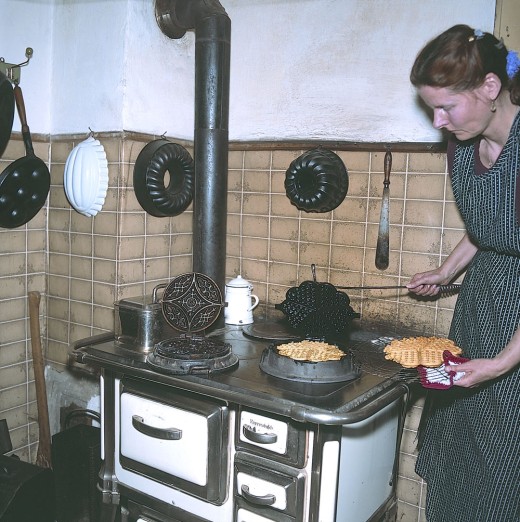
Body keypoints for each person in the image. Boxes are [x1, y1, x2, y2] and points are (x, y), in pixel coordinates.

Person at [406, 24, 520, 522]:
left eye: (447, 106)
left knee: (505, 458)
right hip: (478, 310)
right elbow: (485, 227)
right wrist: (445, 271)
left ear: (490, 88)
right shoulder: (463, 145)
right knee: (459, 444)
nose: (438, 120)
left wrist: (499, 364)